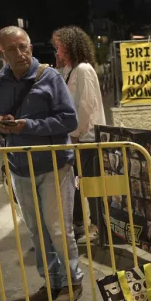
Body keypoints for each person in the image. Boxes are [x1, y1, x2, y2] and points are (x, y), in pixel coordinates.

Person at [0, 26, 83, 301]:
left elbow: (69, 120)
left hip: (54, 165)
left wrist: (29, 125)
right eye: (12, 49)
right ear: (1, 52)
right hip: (18, 167)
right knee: (36, 230)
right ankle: (51, 283)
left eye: (24, 46)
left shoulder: (49, 77)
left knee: (59, 229)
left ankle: (72, 281)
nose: (21, 53)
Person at [52, 26, 107, 238]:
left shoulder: (84, 70)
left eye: (60, 47)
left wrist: (74, 133)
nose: (57, 52)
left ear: (71, 47)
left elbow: (85, 106)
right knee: (77, 183)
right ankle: (80, 224)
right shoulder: (70, 70)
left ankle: (98, 227)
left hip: (87, 138)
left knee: (91, 184)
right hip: (76, 137)